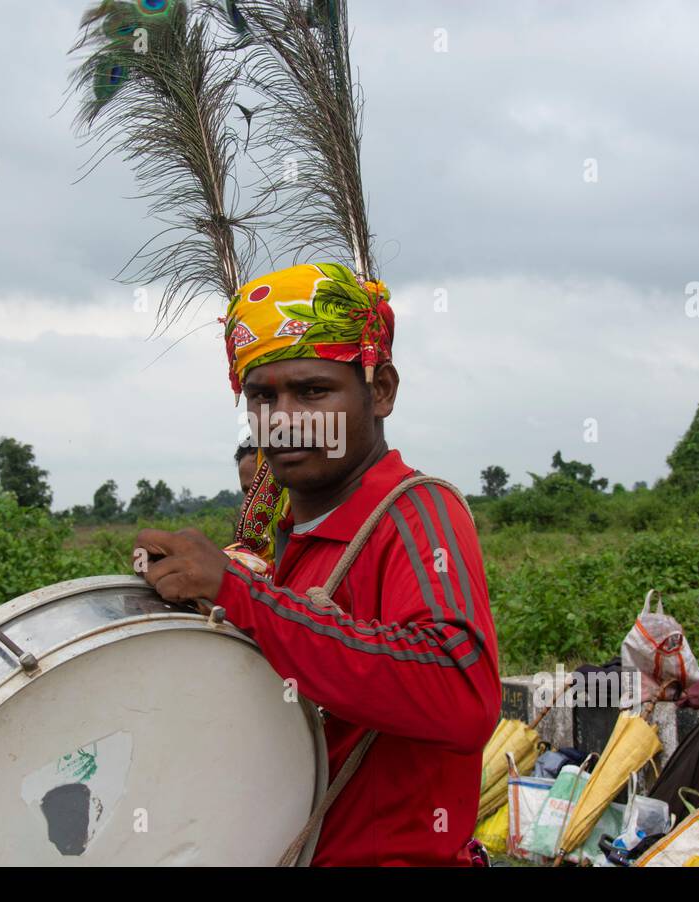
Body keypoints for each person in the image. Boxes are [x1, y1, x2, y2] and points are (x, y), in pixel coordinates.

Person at [135, 263, 502, 866]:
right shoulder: (289, 541)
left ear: (380, 390)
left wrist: (247, 599)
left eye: (312, 391)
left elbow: (461, 695)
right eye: (262, 396)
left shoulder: (414, 513)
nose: (283, 418)